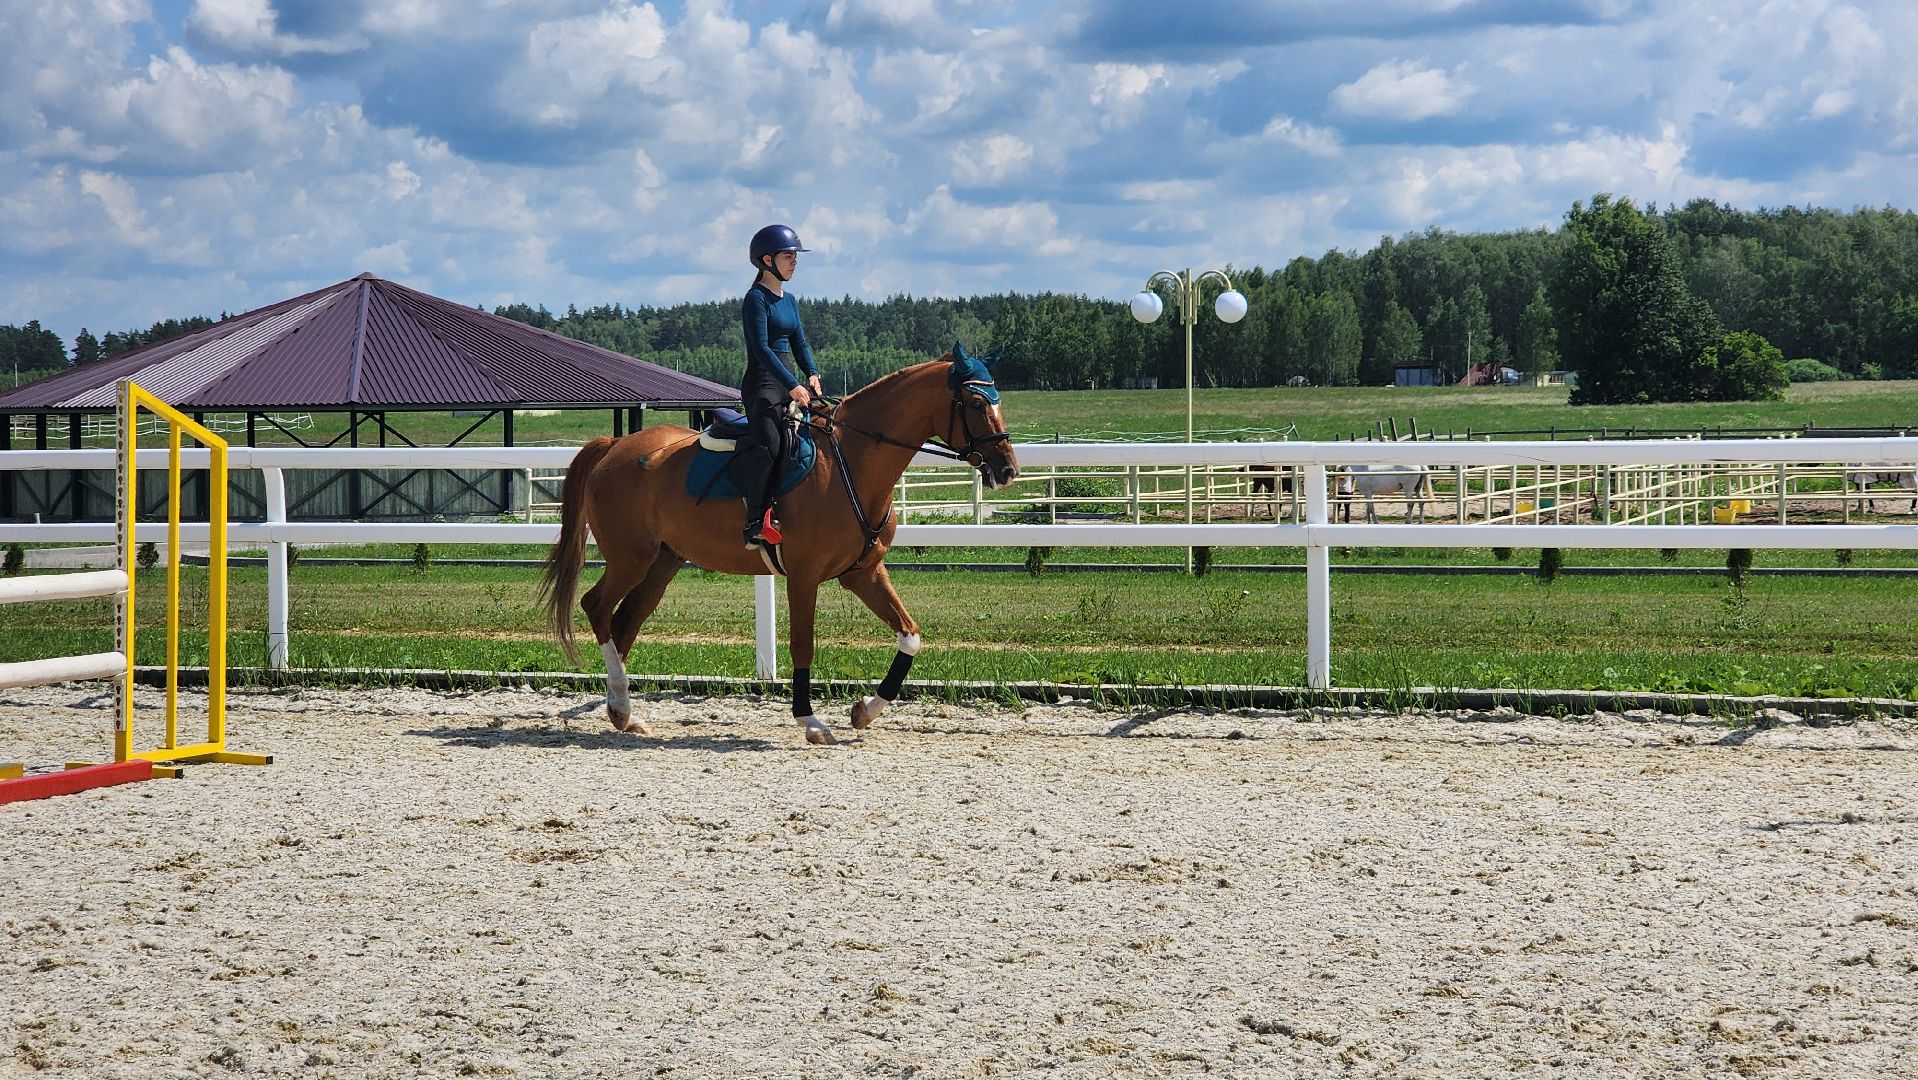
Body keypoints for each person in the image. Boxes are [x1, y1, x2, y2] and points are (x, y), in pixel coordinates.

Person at [737, 224, 823, 548]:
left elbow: (799, 342)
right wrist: (792, 385)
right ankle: (755, 521)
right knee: (770, 446)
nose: (794, 262)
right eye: (789, 256)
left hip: (790, 381)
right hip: (763, 385)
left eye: (795, 256)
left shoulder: (790, 300)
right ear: (767, 260)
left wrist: (811, 373)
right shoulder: (755, 299)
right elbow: (761, 348)